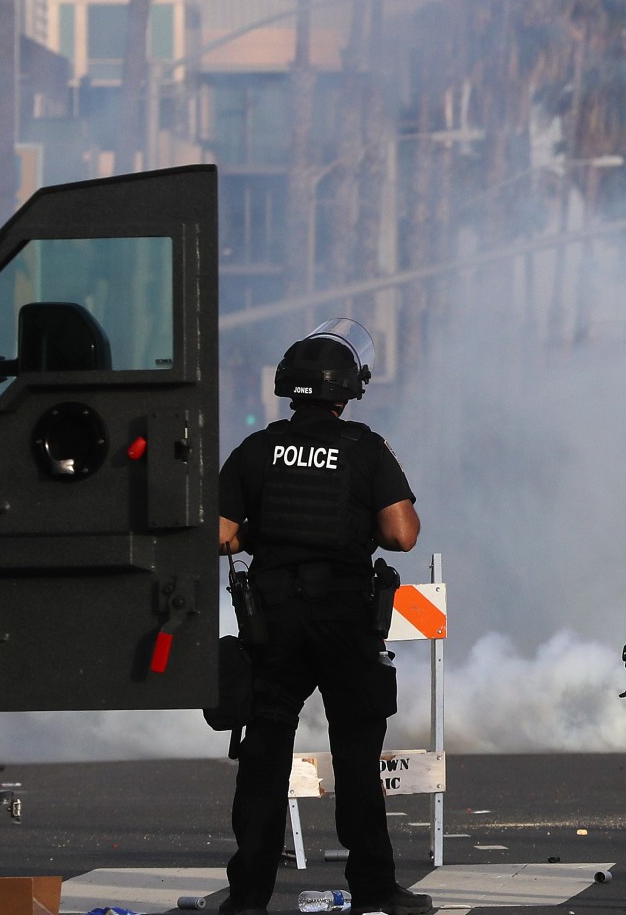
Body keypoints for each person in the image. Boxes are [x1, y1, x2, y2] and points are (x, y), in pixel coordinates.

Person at [217, 320, 431, 915]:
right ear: (347, 390)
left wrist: (266, 531)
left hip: (274, 622)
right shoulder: (365, 447)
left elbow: (221, 533)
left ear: (291, 388)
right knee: (358, 758)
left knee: (263, 759)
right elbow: (401, 534)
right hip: (343, 619)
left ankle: (248, 896)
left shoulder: (258, 449)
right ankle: (374, 890)